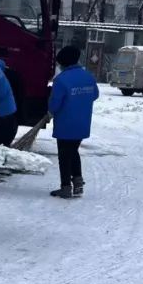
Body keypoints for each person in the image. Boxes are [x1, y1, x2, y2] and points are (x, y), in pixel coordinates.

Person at [48, 45, 99, 199]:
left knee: (64, 155)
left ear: (63, 62)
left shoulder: (61, 80)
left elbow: (54, 105)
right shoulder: (88, 76)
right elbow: (95, 95)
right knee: (73, 151)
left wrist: (50, 110)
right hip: (82, 123)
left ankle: (65, 187)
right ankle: (77, 182)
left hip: (65, 124)